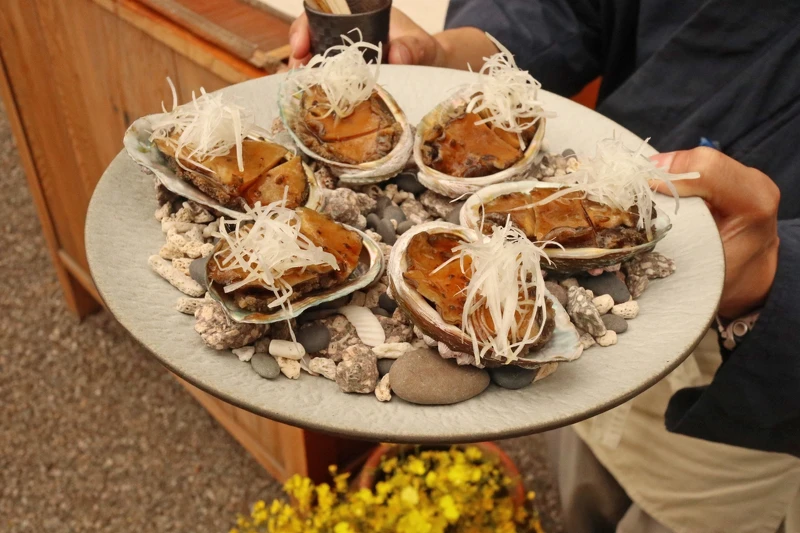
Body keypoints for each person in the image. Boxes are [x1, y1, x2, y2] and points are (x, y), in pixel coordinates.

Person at [289, 2, 800, 531]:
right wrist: (448, 52)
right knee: (581, 490)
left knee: (682, 513)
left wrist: (773, 283)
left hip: (757, 379)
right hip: (597, 316)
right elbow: (567, 10)